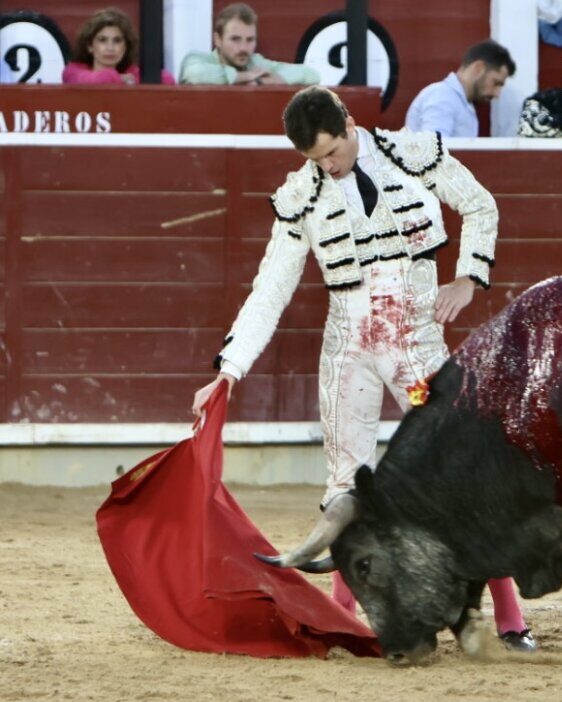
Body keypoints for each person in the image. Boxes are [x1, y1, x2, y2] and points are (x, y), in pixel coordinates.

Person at [190, 86, 535, 653]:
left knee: (462, 468)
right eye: (315, 159)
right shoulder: (301, 195)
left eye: (331, 152)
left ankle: (509, 617)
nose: (327, 166)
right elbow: (271, 289)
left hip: (416, 343)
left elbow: (480, 205)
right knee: (345, 480)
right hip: (347, 346)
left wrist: (468, 280)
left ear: (350, 124)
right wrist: (228, 370)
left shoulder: (413, 154)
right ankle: (344, 621)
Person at [180, 3, 318, 86]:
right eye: (235, 39)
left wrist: (262, 82)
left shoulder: (255, 63)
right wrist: (243, 77)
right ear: (218, 40)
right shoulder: (196, 59)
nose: (243, 48)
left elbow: (311, 74)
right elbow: (194, 74)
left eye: (250, 40)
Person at [404, 39, 516, 137]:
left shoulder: (454, 99)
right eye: (496, 83)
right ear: (479, 68)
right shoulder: (443, 96)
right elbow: (435, 152)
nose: (497, 94)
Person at [62, 8, 176, 85]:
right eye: (103, 40)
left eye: (117, 41)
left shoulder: (132, 73)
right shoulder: (73, 71)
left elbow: (167, 79)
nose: (110, 47)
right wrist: (119, 79)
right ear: (89, 46)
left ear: (126, 46)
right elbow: (87, 81)